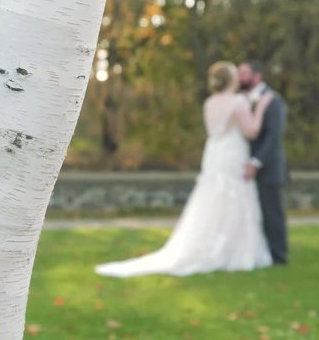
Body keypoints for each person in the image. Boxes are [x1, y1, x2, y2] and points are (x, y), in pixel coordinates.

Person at [95, 61, 273, 277]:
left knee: (213, 199)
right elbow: (252, 131)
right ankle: (232, 251)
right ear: (232, 80)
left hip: (215, 153)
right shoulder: (238, 102)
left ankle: (212, 246)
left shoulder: (210, 102)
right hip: (232, 153)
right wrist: (261, 107)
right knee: (234, 198)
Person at [239, 61, 289, 265]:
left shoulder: (272, 100)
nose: (240, 77)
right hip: (243, 167)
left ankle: (279, 256)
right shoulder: (240, 99)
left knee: (272, 213)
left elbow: (274, 137)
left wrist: (256, 161)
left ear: (257, 76)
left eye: (244, 73)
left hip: (267, 167)